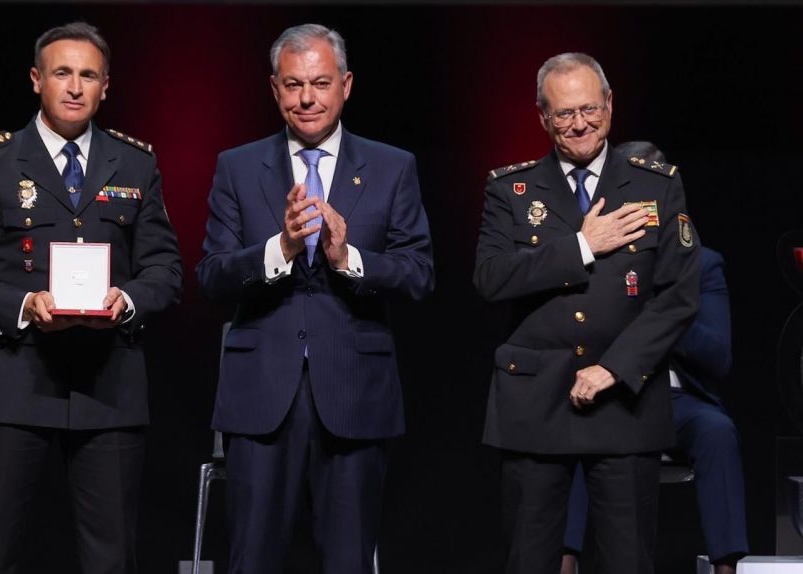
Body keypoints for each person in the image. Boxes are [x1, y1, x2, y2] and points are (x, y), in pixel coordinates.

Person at [0, 21, 182, 573]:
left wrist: (128, 300)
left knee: (112, 560)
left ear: (106, 86)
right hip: (12, 378)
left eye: (87, 75)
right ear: (36, 79)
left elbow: (165, 268)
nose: (74, 86)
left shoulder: (136, 162)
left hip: (107, 385)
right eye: (62, 73)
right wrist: (23, 306)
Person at [196, 23, 433, 574]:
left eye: (321, 83)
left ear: (346, 85)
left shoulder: (393, 165)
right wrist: (279, 247)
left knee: (349, 561)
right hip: (260, 400)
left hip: (355, 394)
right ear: (274, 89)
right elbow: (211, 276)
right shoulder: (237, 165)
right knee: (252, 559)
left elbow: (419, 274)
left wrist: (346, 257)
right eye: (294, 84)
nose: (307, 98)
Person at [474, 53, 700, 573]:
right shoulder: (511, 189)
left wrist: (615, 368)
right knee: (528, 560)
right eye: (564, 114)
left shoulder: (656, 184)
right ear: (541, 117)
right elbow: (491, 278)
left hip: (624, 404)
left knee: (628, 561)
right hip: (534, 405)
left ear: (610, 105)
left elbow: (678, 294)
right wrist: (580, 245)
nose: (579, 124)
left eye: (590, 110)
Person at [559, 141, 747, 574]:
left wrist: (666, 309)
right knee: (570, 430)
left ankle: (726, 568)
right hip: (611, 394)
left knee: (718, 431)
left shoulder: (703, 265)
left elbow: (717, 356)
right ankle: (564, 563)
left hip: (678, 400)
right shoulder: (594, 254)